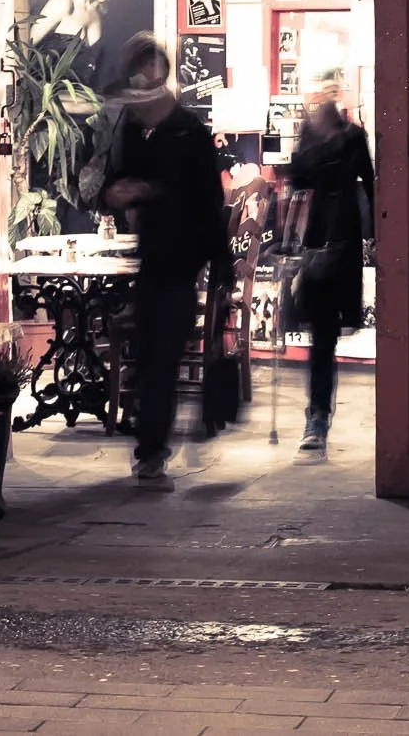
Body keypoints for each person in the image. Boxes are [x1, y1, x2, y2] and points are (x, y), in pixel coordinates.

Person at [95, 33, 232, 486]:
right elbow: (113, 183)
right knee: (150, 355)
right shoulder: (132, 129)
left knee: (162, 357)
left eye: (149, 74)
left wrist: (222, 270)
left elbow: (206, 200)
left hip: (182, 258)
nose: (142, 85)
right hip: (151, 257)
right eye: (137, 75)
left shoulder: (189, 130)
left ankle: (151, 450)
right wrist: (115, 195)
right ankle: (150, 445)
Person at [285, 68, 373, 453]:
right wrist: (312, 136)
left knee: (330, 335)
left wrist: (378, 239)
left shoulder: (354, 136)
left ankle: (320, 414)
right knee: (321, 336)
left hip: (345, 242)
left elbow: (370, 184)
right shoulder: (311, 133)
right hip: (317, 240)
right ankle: (317, 416)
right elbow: (298, 179)